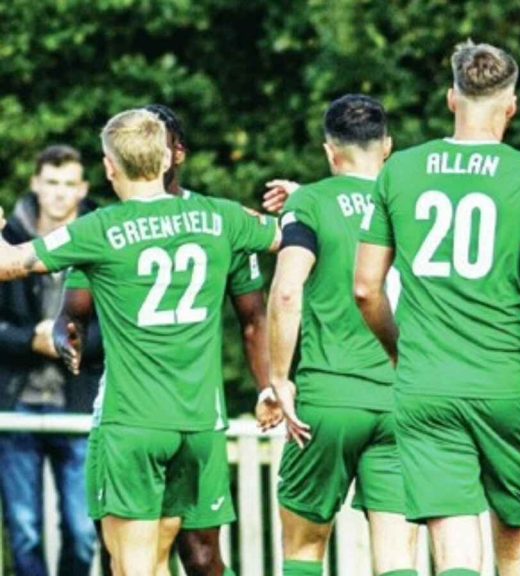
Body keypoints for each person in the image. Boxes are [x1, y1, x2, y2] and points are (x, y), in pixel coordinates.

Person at [0, 108, 281, 575]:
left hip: (132, 422)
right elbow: (290, 235)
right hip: (199, 425)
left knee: (133, 566)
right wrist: (309, 199)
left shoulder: (100, 229)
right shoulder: (221, 217)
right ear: (168, 159)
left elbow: (10, 265)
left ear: (110, 167)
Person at [352, 40, 520, 576]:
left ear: (450, 99)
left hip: (428, 383)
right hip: (508, 384)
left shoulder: (401, 171)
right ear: (511, 106)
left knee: (454, 546)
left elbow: (367, 288)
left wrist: (401, 351)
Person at [268, 94, 419, 576]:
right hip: (402, 397)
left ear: (330, 152)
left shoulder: (309, 202)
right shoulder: (415, 204)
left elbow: (288, 291)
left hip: (329, 394)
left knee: (305, 549)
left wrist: (278, 378)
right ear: (389, 147)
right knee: (398, 558)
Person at [0, 145, 98, 575]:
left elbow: (120, 327)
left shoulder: (101, 239)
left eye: (68, 184)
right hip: (15, 404)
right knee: (25, 530)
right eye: (51, 183)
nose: (59, 194)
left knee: (82, 531)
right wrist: (30, 340)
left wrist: (65, 341)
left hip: (78, 405)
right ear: (36, 184)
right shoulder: (9, 240)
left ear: (83, 189)